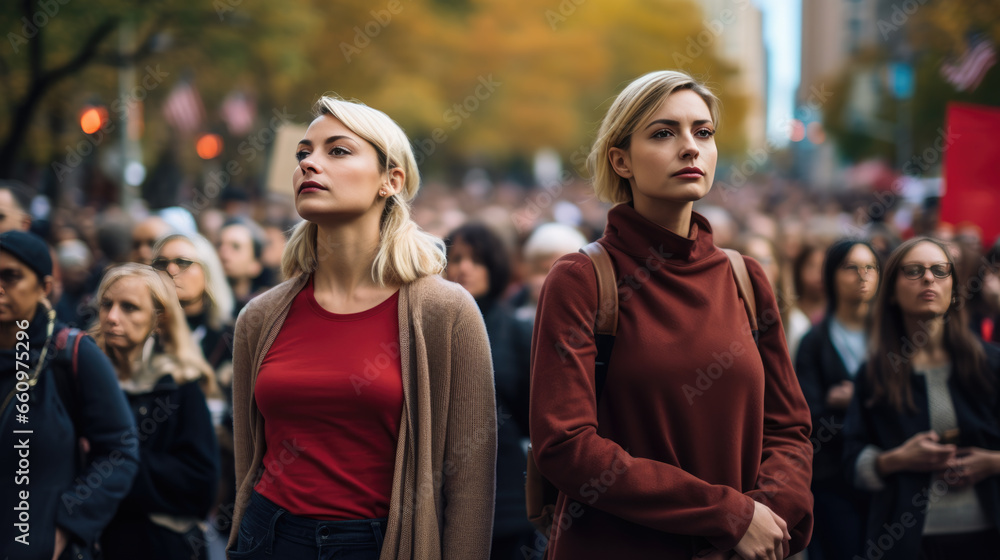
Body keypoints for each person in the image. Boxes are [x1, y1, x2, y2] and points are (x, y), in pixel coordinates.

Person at [529, 70, 814, 559]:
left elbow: (788, 428)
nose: (690, 147)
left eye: (702, 132)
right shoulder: (580, 278)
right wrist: (728, 515)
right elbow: (566, 444)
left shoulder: (745, 277)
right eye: (664, 133)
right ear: (621, 160)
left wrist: (768, 517)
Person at [228, 96, 496, 559]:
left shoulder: (446, 312)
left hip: (382, 543)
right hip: (268, 537)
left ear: (390, 181)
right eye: (302, 153)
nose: (310, 163)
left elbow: (471, 482)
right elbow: (247, 458)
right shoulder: (259, 316)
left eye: (337, 151)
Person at [844, 237, 1000, 560]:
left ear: (954, 290)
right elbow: (850, 463)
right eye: (913, 271)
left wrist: (993, 462)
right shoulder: (874, 374)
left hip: (987, 537)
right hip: (907, 544)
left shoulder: (991, 364)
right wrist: (896, 459)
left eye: (940, 271)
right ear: (890, 293)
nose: (928, 278)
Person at [0, 230, 139, 560]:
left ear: (45, 288)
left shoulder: (72, 353)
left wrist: (63, 528)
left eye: (11, 277)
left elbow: (120, 450)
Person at [92, 264, 220, 560]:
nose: (112, 317)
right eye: (106, 305)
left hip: (158, 545)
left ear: (159, 320)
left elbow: (199, 484)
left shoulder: (180, 386)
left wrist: (112, 461)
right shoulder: (81, 376)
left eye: (130, 308)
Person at [445, 222, 535, 560]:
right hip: (441, 496)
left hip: (507, 501)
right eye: (456, 258)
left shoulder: (518, 332)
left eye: (477, 260)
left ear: (495, 268)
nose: (464, 268)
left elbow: (533, 418)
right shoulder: (427, 329)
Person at [795, 239, 880, 560]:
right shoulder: (813, 343)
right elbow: (810, 416)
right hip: (833, 479)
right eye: (851, 267)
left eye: (870, 267)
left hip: (890, 474)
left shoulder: (893, 337)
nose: (863, 275)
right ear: (831, 275)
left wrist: (853, 398)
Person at [217, 217, 273, 314]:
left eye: (235, 246)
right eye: (218, 244)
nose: (223, 253)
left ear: (255, 265)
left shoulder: (268, 308)